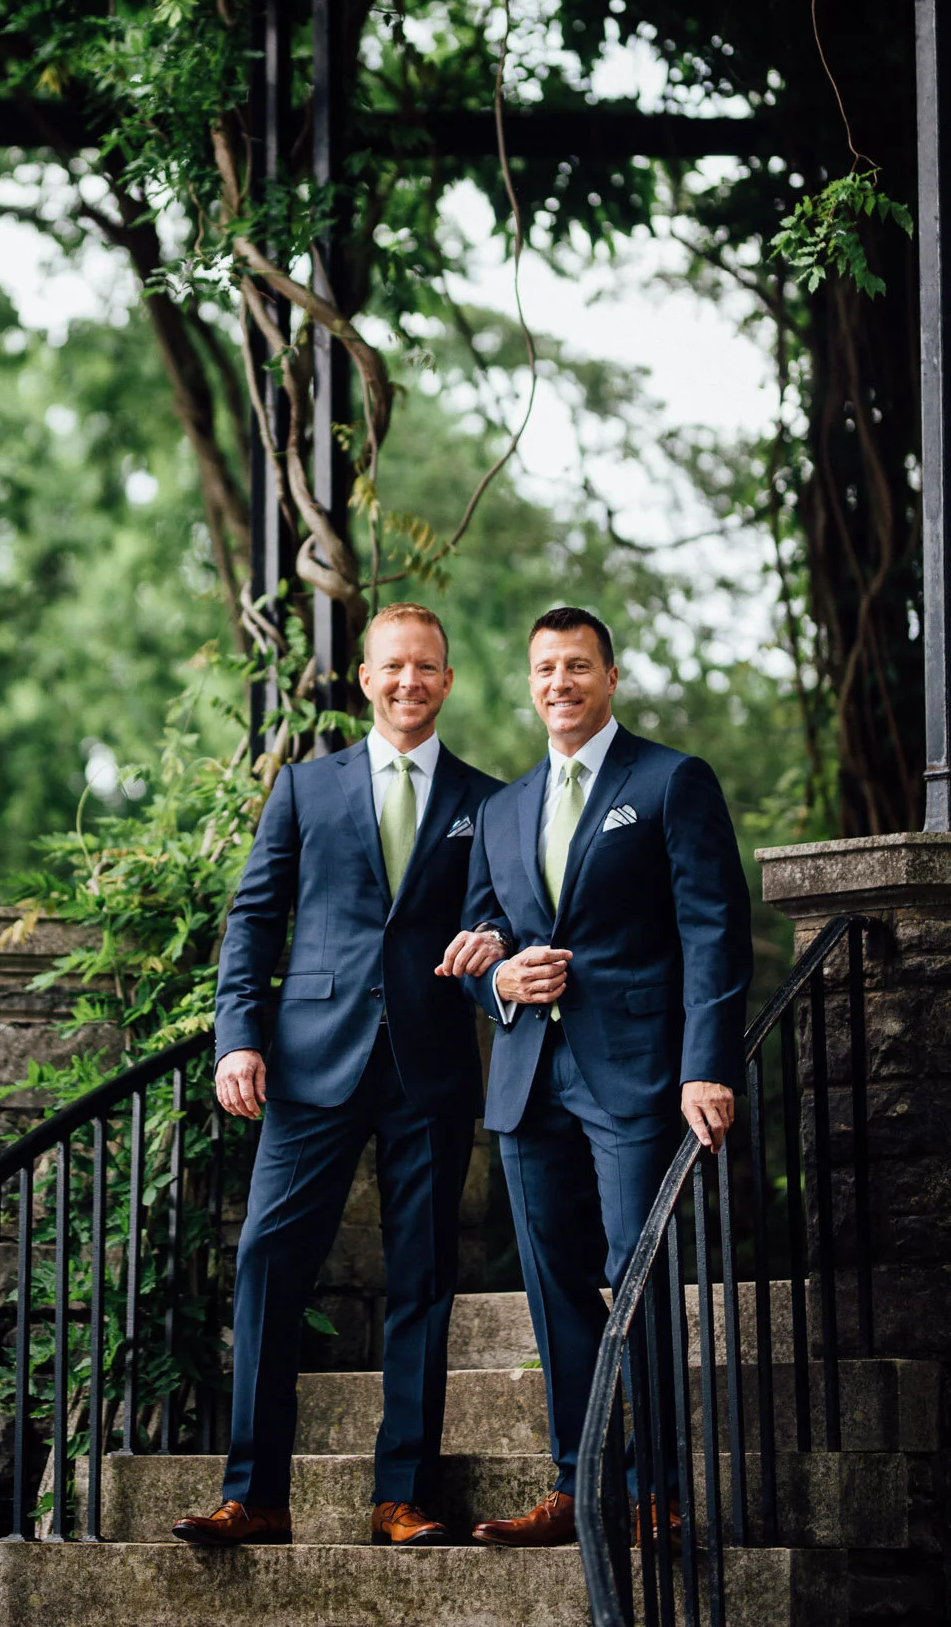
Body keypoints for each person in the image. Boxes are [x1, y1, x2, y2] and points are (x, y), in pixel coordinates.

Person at [173, 604, 502, 1548]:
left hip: (431, 1067)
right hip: (311, 1062)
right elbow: (254, 917)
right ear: (365, 678)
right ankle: (255, 1497)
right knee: (267, 1263)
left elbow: (498, 917)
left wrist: (496, 946)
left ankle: (404, 1497)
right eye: (393, 666)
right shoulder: (304, 788)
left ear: (448, 680)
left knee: (423, 1280)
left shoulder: (489, 802)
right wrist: (238, 1038)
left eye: (427, 667)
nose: (410, 681)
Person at [437, 606, 752, 1546]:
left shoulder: (669, 781)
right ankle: (579, 1488)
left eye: (577, 666)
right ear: (529, 684)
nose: (560, 683)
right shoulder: (501, 809)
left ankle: (656, 1492)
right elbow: (482, 939)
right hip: (528, 1077)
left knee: (636, 1275)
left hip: (638, 1073)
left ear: (610, 678)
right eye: (545, 669)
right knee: (554, 1287)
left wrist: (706, 1065)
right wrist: (500, 977)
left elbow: (713, 927)